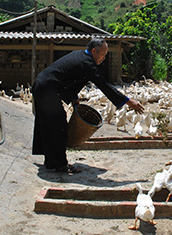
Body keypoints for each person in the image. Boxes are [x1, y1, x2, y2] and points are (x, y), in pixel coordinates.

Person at [32, 38, 144, 174]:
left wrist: (74, 98)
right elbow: (104, 86)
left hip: (43, 86)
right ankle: (60, 164)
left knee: (47, 124)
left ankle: (51, 160)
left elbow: (71, 79)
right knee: (58, 125)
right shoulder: (87, 63)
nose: (103, 58)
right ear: (94, 51)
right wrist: (129, 101)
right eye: (103, 54)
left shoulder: (80, 56)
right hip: (47, 90)